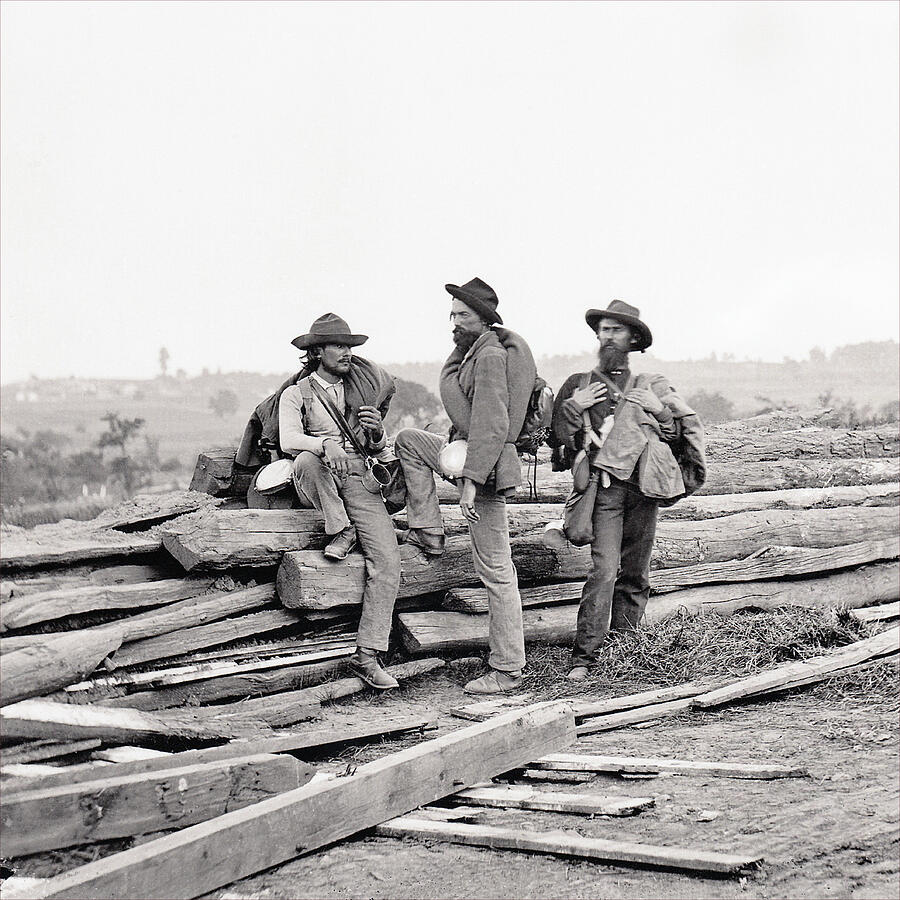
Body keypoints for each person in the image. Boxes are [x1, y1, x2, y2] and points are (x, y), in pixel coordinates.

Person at [549, 300, 706, 681]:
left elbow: (675, 438)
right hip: (603, 492)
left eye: (617, 330)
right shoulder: (578, 385)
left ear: (633, 339)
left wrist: (662, 412)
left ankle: (626, 651)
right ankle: (584, 657)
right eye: (603, 330)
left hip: (644, 490)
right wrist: (572, 408)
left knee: (636, 572)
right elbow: (556, 441)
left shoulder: (652, 385)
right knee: (604, 571)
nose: (609, 337)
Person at [394, 277, 537, 695]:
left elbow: (493, 424)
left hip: (486, 466)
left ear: (483, 319)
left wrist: (471, 484)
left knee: (496, 570)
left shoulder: (490, 356)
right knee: (409, 441)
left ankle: (508, 669)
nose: (453, 322)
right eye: (451, 314)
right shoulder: (470, 352)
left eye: (462, 315)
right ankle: (428, 530)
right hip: (466, 451)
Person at [279, 313, 402, 690]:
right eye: (338, 346)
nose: (346, 352)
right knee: (306, 459)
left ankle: (367, 655)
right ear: (317, 352)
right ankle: (341, 528)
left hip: (359, 477)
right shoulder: (297, 393)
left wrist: (377, 434)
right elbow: (288, 440)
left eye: (349, 346)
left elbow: (376, 448)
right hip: (318, 475)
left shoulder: (360, 391)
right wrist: (323, 443)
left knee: (388, 559)